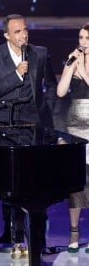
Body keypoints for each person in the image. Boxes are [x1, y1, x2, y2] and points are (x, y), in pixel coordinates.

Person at [0, 14, 57, 255]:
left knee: (37, 182)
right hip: (5, 121)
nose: (23, 35)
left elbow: (51, 85)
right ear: (6, 35)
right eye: (17, 32)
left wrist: (46, 110)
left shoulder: (40, 53)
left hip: (34, 122)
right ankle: (10, 232)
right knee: (8, 181)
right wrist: (16, 75)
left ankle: (37, 237)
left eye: (25, 30)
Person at [57, 22, 89, 253]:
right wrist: (70, 68)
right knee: (77, 181)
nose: (83, 42)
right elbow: (60, 92)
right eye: (81, 37)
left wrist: (84, 71)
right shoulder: (73, 59)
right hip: (76, 124)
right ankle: (74, 233)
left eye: (87, 38)